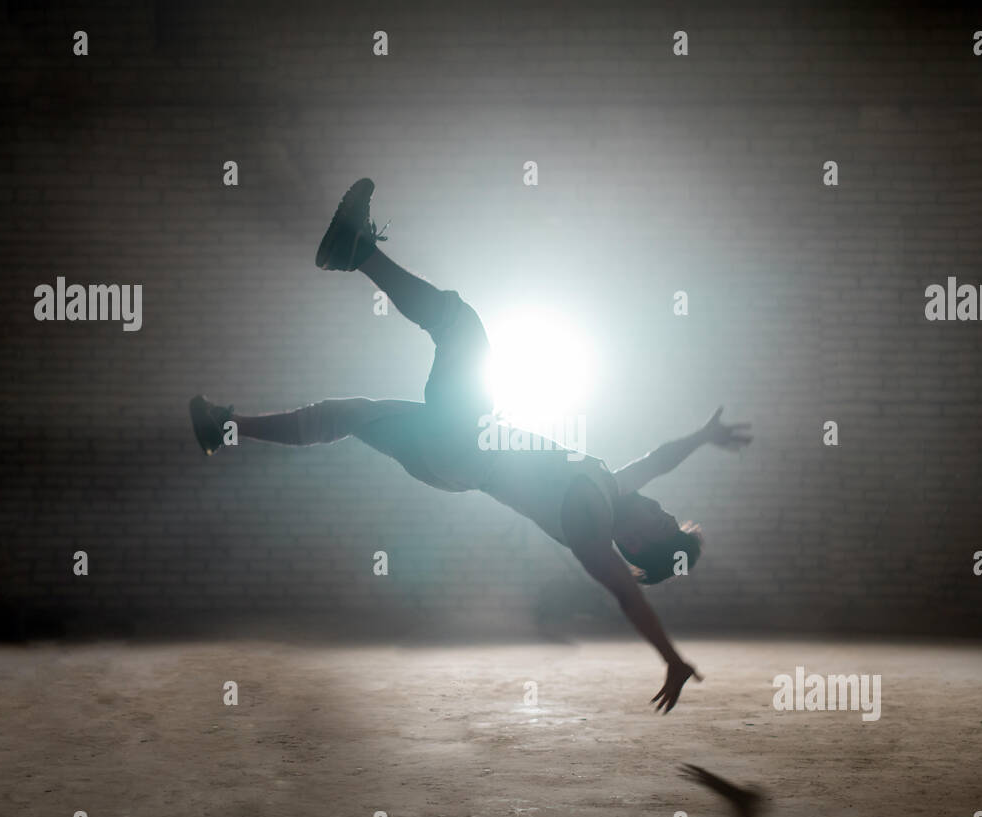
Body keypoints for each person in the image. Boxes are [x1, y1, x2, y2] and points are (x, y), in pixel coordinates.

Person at [190, 178, 751, 712]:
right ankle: (227, 426)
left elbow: (629, 597)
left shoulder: (589, 521)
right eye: (668, 513)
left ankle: (355, 251)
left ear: (636, 540)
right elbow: (658, 459)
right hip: (453, 459)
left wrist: (672, 659)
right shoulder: (610, 490)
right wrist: (702, 438)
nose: (659, 508)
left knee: (462, 328)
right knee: (349, 415)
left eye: (663, 523)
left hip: (465, 446)